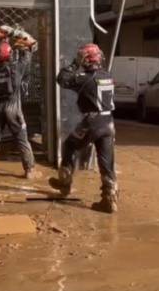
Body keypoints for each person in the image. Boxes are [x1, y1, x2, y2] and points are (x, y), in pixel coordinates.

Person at [48, 43, 119, 214]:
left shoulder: (84, 78)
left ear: (85, 59)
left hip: (92, 122)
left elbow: (62, 78)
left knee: (70, 145)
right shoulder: (107, 75)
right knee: (106, 162)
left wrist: (74, 63)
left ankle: (65, 183)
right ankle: (109, 200)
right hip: (109, 122)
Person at [0, 35, 37, 179]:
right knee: (22, 139)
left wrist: (3, 43)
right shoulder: (15, 70)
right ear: (10, 55)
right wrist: (22, 45)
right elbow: (27, 56)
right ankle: (29, 169)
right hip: (13, 108)